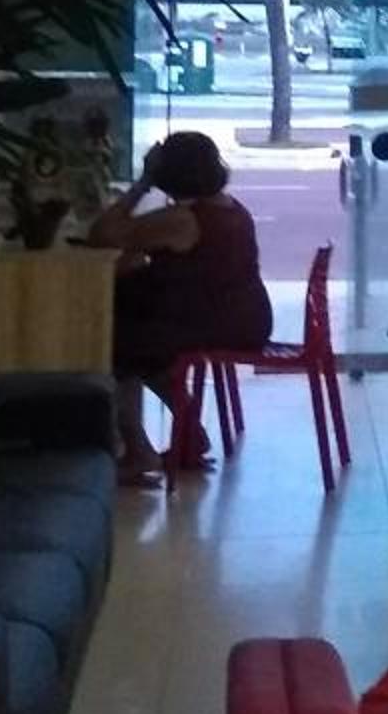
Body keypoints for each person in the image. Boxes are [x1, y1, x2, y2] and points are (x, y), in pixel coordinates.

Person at [89, 131, 272, 485]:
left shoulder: (182, 219)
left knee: (115, 342)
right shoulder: (229, 208)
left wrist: (142, 183)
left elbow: (103, 235)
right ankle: (187, 430)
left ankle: (139, 449)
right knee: (139, 334)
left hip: (214, 323)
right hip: (245, 318)